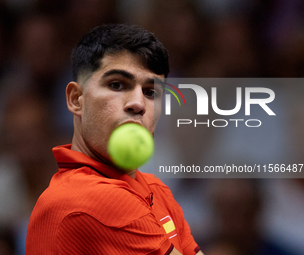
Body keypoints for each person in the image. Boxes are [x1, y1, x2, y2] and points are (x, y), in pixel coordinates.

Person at [26, 24, 203, 255]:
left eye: (151, 92)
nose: (138, 104)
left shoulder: (157, 190)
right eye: (117, 85)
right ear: (76, 99)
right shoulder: (87, 199)